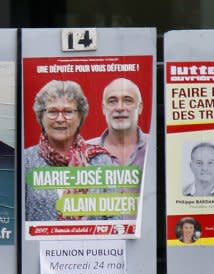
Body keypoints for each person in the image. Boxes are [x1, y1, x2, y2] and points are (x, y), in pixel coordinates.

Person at [23, 80, 113, 221]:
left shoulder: (101, 160)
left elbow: (115, 218)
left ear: (79, 118)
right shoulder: (25, 161)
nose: (60, 119)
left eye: (68, 112)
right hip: (42, 243)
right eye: (52, 111)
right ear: (41, 117)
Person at [88, 78, 148, 169]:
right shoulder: (84, 152)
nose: (119, 108)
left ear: (140, 107)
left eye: (127, 100)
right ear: (104, 109)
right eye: (112, 101)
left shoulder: (155, 146)